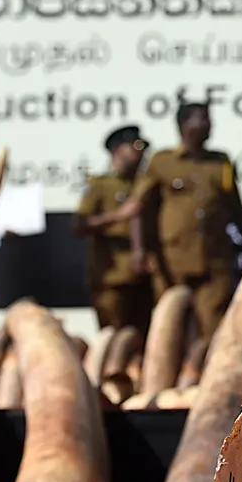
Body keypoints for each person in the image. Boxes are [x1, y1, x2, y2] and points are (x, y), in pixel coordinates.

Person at [85, 103, 242, 340]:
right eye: (201, 119)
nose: (208, 125)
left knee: (214, 327)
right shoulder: (161, 162)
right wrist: (140, 251)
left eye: (209, 119)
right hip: (173, 262)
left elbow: (236, 208)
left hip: (214, 259)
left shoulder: (221, 162)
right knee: (171, 328)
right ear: (185, 126)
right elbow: (138, 208)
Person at [75, 124, 153, 337]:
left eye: (142, 147)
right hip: (112, 278)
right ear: (117, 150)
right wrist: (119, 216)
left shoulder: (146, 185)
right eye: (134, 146)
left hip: (144, 278)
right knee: (112, 337)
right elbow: (79, 225)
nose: (140, 153)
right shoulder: (101, 185)